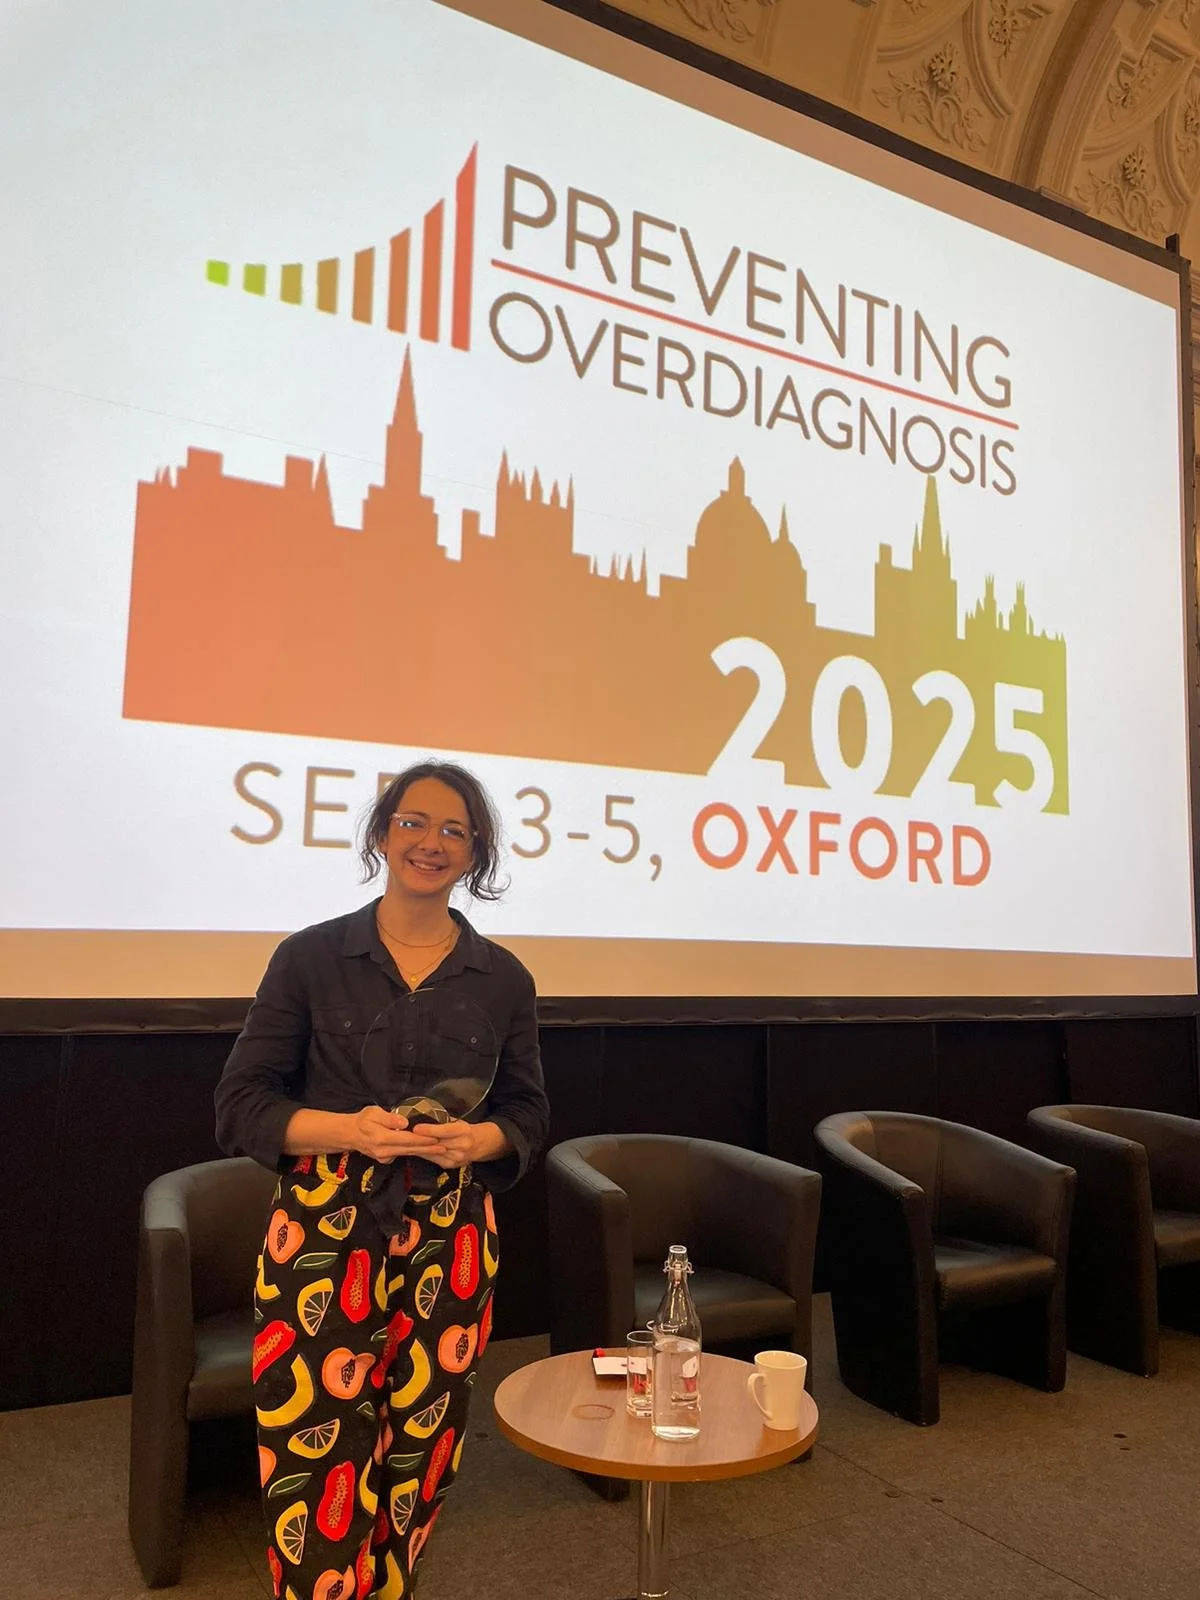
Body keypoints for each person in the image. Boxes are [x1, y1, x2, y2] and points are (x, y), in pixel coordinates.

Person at [215, 760, 549, 1600]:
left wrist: (477, 1141)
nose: (431, 842)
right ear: (380, 833)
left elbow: (527, 1114)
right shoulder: (310, 958)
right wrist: (349, 1132)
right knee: (315, 1450)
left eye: (454, 830)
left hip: (452, 1236)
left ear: (475, 853)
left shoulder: (503, 978)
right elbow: (241, 1104)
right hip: (324, 1230)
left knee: (422, 1450)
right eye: (413, 822)